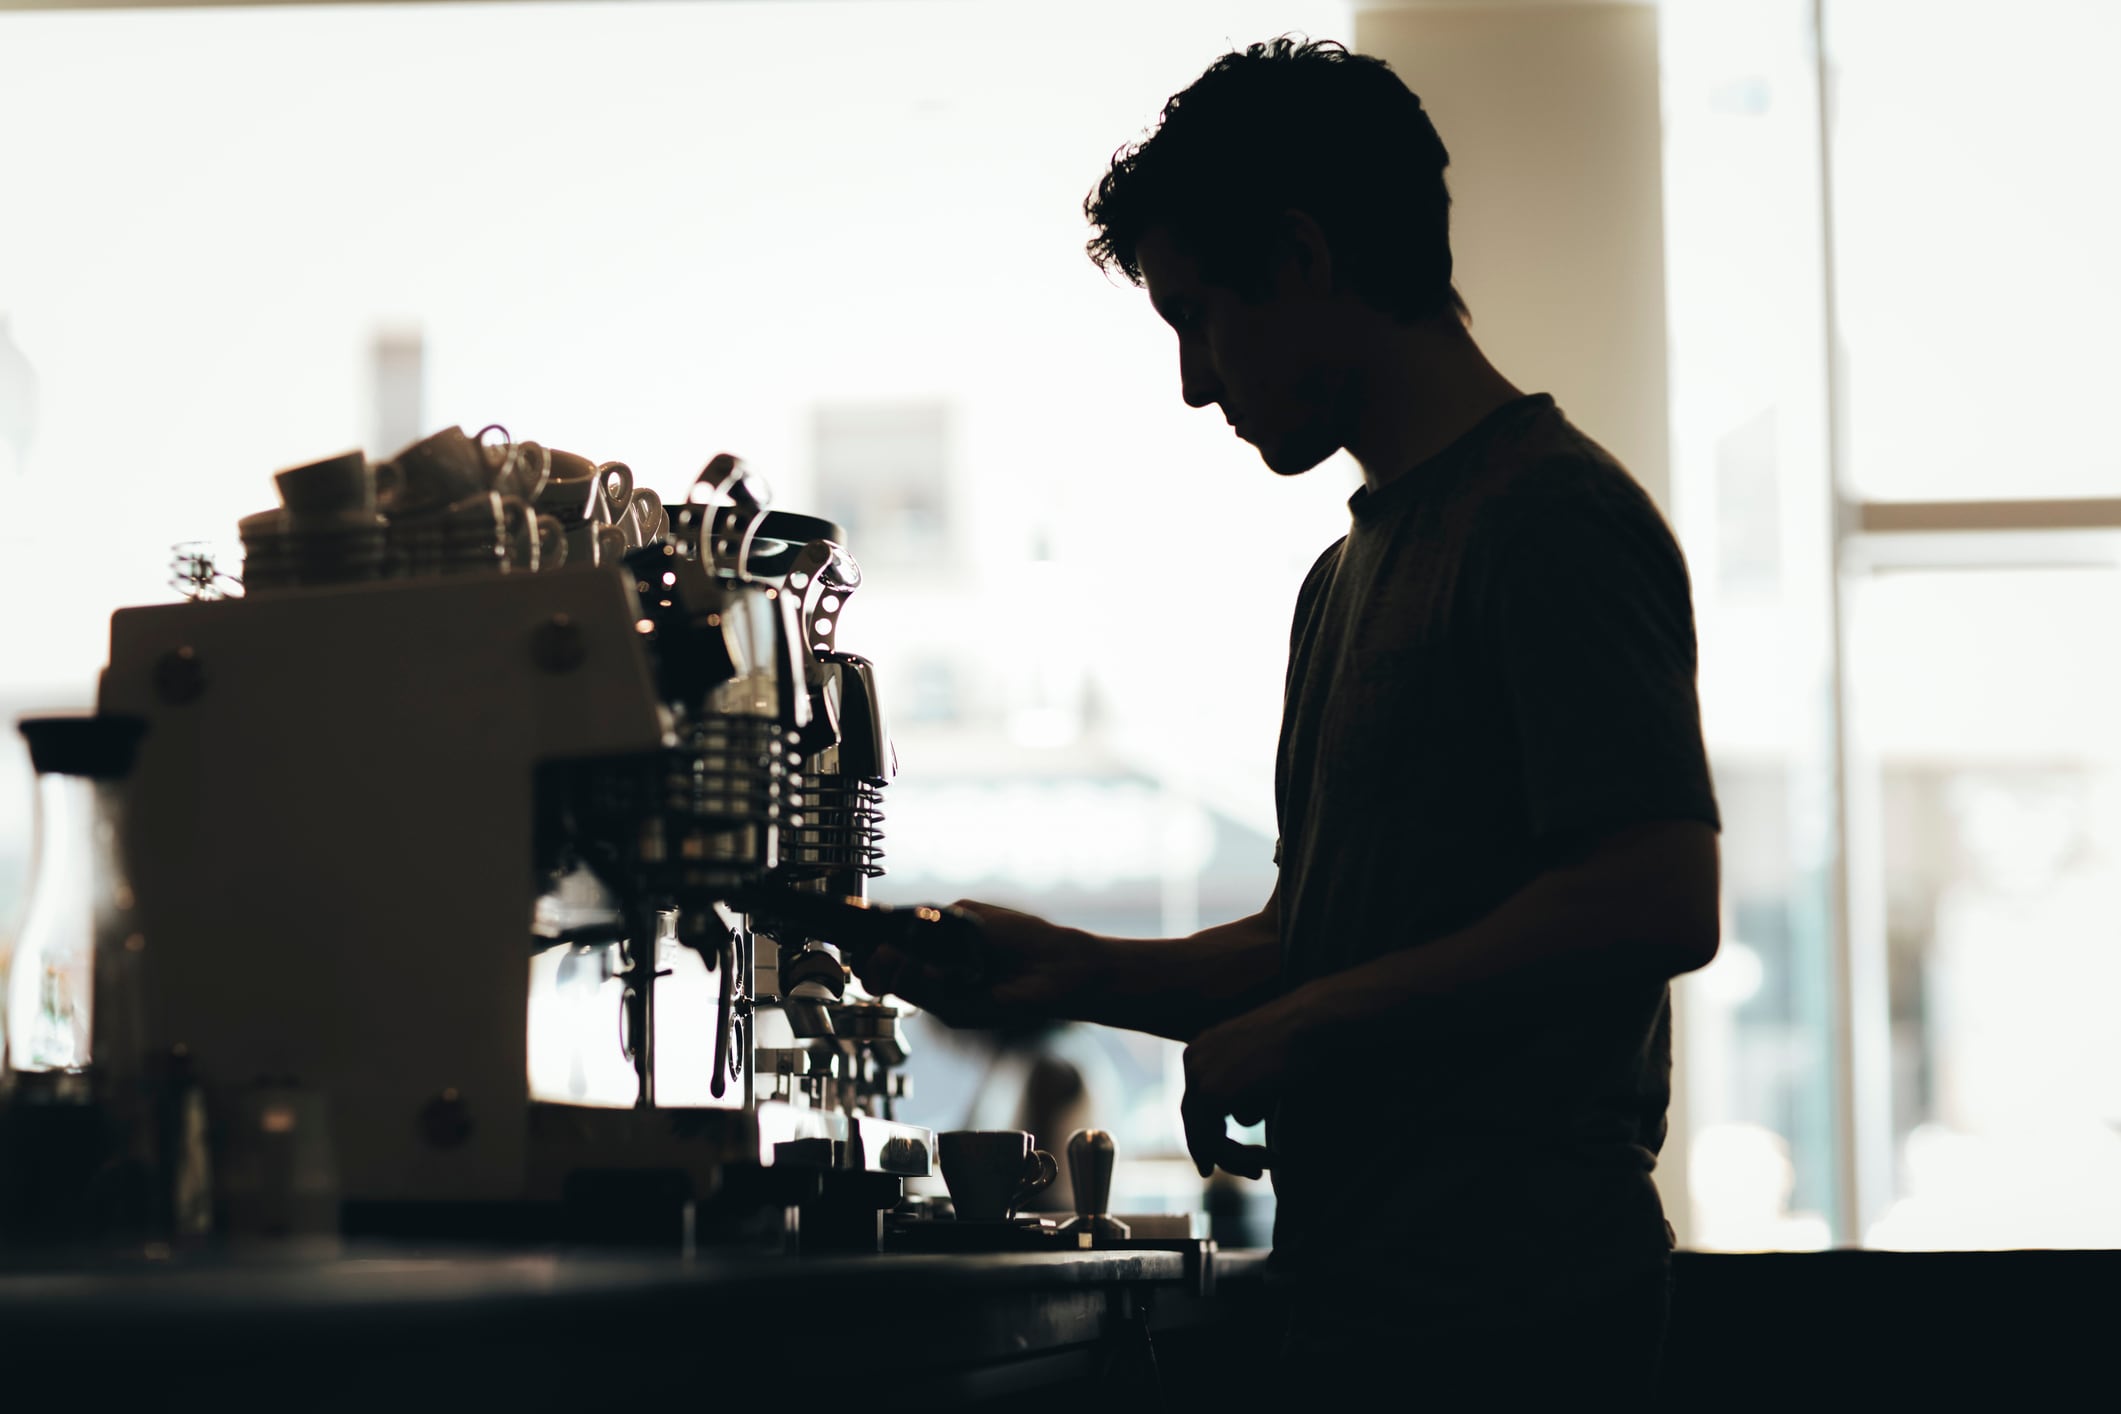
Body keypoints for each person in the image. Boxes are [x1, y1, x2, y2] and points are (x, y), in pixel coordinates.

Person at [856, 37, 1721, 1402]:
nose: (1197, 381)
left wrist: (1310, 1027)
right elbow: (1328, 934)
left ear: (1302, 259)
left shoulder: (1550, 520)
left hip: (1517, 1309)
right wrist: (1068, 971)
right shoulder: (1346, 575)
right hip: (1370, 1296)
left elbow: (1654, 896)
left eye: (1199, 316)